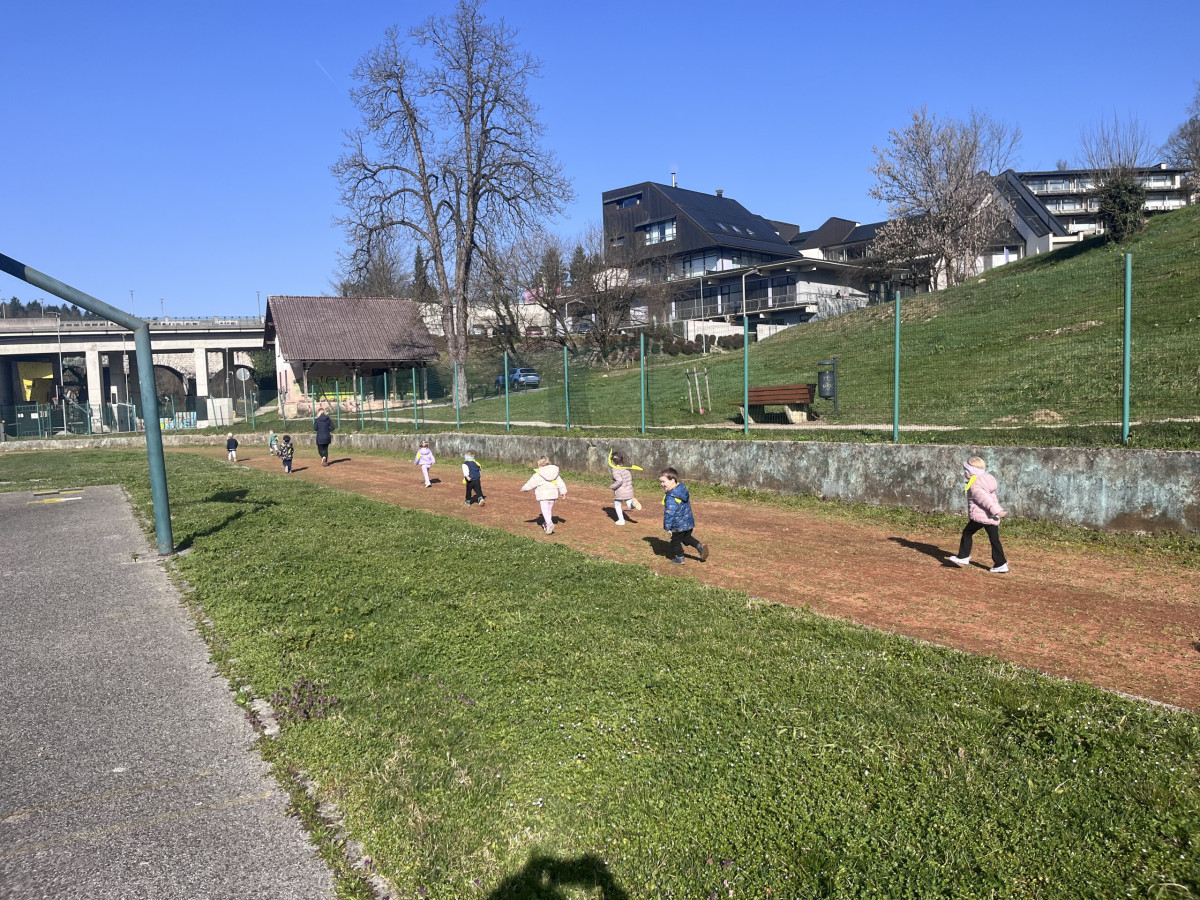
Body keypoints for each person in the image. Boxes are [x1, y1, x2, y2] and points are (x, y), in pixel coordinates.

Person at [949, 456, 1009, 573]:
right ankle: (1001, 563)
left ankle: (963, 556)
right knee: (994, 539)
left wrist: (995, 510)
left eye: (965, 470)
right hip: (991, 516)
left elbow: (984, 499)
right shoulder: (986, 479)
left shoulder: (974, 484)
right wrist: (996, 511)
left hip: (982, 516)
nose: (964, 473)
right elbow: (991, 497)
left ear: (970, 472)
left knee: (967, 532)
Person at [659, 467, 708, 565]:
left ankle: (679, 558)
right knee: (686, 538)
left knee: (675, 542)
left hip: (678, 525)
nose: (661, 484)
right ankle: (699, 546)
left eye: (664, 482)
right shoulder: (681, 489)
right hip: (688, 522)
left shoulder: (671, 497)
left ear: (672, 480)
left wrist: (668, 527)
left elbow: (669, 512)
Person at [522, 456, 568, 535]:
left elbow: (531, 483)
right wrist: (563, 492)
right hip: (553, 495)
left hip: (543, 496)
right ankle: (547, 524)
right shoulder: (554, 473)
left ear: (539, 464)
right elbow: (560, 483)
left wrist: (524, 489)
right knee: (548, 510)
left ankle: (549, 524)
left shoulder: (538, 474)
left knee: (545, 510)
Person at [608, 449, 643, 525]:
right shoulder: (626, 470)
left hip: (620, 491)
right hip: (628, 490)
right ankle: (634, 504)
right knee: (629, 504)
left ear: (613, 462)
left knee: (617, 504)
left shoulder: (615, 470)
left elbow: (619, 480)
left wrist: (613, 486)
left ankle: (621, 520)